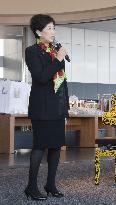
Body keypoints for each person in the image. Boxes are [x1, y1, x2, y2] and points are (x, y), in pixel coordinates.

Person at [24, 14, 69, 200]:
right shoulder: (32, 51)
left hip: (57, 108)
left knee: (56, 147)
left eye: (54, 27)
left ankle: (50, 184)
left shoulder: (54, 51)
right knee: (39, 147)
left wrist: (65, 105)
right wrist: (58, 59)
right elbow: (41, 77)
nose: (53, 31)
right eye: (49, 28)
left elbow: (61, 81)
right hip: (42, 108)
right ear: (38, 32)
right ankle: (31, 187)